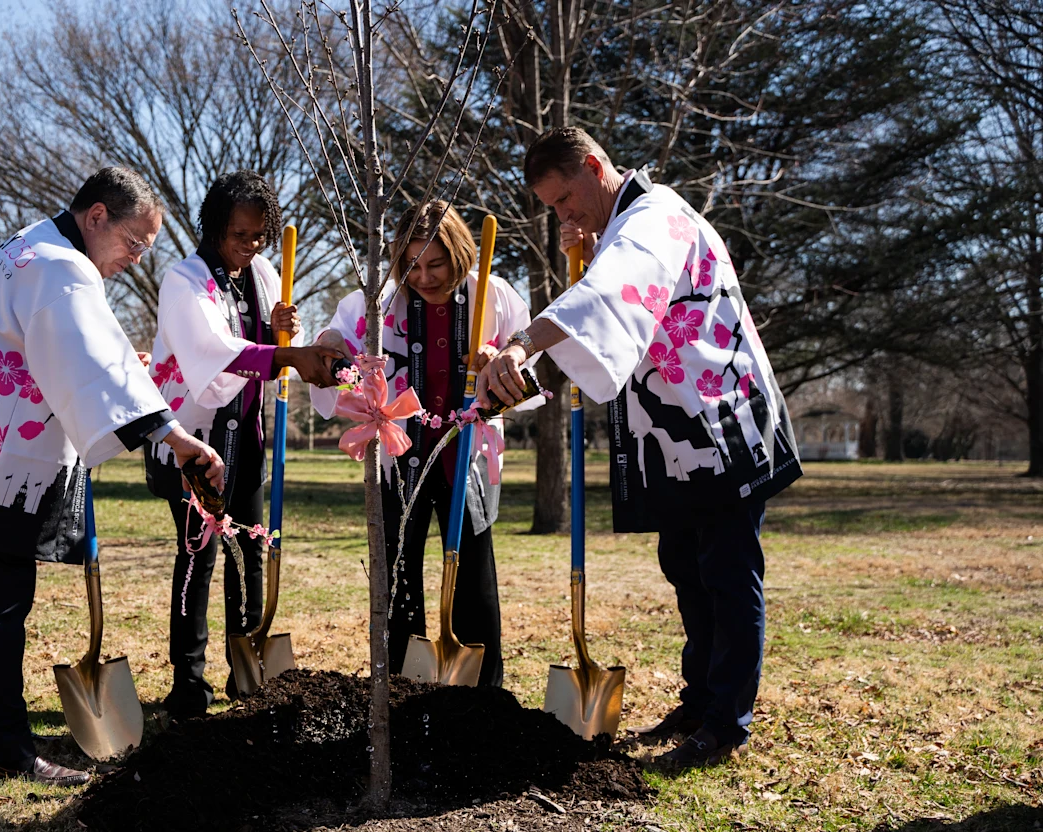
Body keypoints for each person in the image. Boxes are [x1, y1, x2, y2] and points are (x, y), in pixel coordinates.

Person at [475, 127, 802, 768]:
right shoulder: (622, 229)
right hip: (681, 432)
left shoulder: (656, 215)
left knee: (728, 573)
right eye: (553, 209)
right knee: (686, 566)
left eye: (568, 198)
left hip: (722, 418)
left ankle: (727, 724)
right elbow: (613, 324)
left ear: (596, 166)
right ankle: (700, 699)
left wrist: (523, 345)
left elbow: (611, 295)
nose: (564, 216)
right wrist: (593, 252)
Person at [0, 167, 225, 786]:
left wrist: (130, 374)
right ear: (96, 216)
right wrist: (172, 434)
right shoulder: (60, 268)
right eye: (133, 242)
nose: (133, 258)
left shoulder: (30, 245)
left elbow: (79, 349)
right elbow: (90, 357)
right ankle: (1, 748)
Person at [311, 200, 532, 687]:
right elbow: (337, 342)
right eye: (413, 266)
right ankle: (400, 683)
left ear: (458, 255)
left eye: (436, 264)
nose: (425, 277)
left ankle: (483, 688)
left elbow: (527, 360)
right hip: (399, 454)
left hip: (465, 456)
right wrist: (333, 344)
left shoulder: (489, 296)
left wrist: (499, 362)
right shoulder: (381, 302)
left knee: (474, 571)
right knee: (398, 571)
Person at [146, 170, 342, 717]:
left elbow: (283, 350)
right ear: (213, 229)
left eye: (259, 235)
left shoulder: (262, 275)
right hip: (196, 444)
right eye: (239, 235)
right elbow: (210, 350)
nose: (250, 246)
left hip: (248, 442)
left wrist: (288, 334)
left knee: (251, 557)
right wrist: (280, 352)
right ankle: (189, 683)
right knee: (197, 558)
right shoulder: (183, 280)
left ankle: (246, 672)